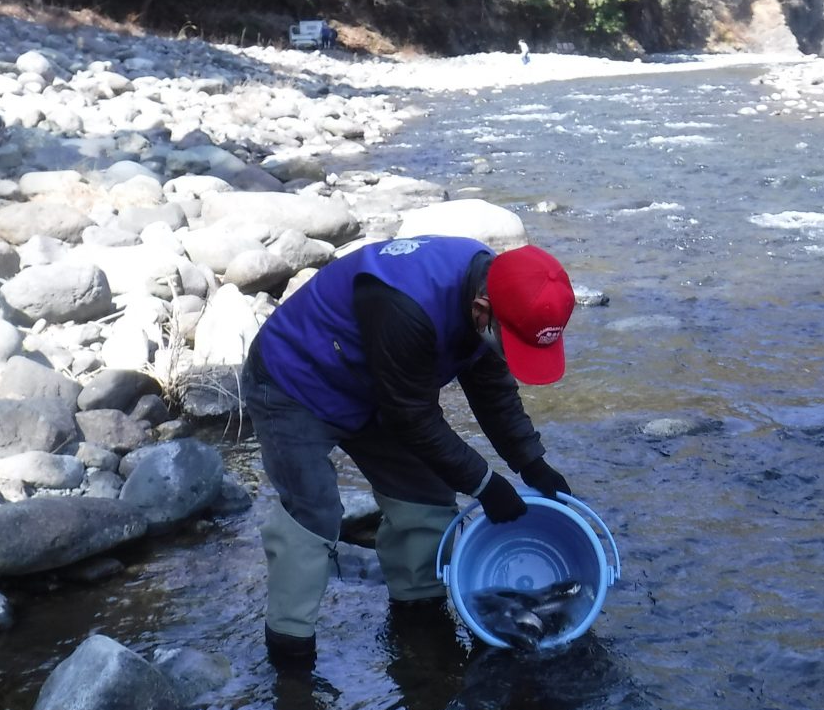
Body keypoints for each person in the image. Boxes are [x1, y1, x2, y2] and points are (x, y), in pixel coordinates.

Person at [242, 236, 576, 665]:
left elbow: (492, 392)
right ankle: (291, 655)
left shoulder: (503, 295)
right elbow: (412, 417)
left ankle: (418, 617)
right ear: (481, 312)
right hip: (295, 381)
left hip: (377, 385)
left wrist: (532, 463)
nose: (512, 356)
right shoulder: (406, 304)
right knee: (314, 512)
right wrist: (486, 484)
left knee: (427, 497)